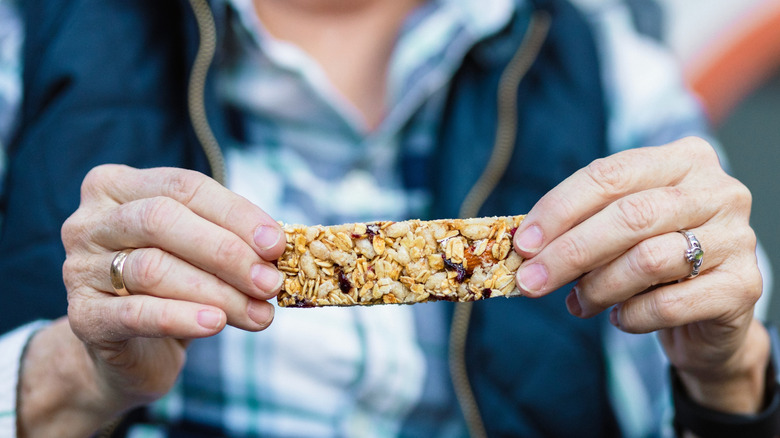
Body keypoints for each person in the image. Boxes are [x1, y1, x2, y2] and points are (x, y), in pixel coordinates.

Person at [1, 0, 777, 436]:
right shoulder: (31, 35)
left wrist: (732, 378)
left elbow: (707, 393)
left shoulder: (612, 73)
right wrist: (70, 375)